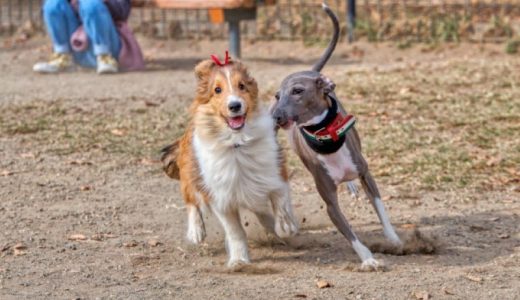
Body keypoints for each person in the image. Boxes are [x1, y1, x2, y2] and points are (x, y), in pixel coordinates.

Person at [34, 0, 144, 74]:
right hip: (75, 45)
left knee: (90, 3)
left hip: (108, 42)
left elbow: (122, 11)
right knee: (53, 3)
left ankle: (105, 58)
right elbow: (49, 12)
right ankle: (63, 57)